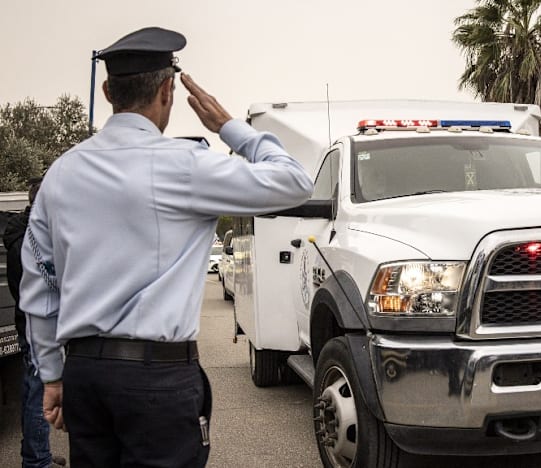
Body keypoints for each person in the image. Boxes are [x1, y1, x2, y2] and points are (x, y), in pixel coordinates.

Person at [19, 27, 314, 467]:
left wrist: (53, 375)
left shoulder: (62, 173)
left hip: (85, 376)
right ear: (167, 91)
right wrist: (230, 127)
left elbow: (40, 285)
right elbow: (295, 182)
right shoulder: (186, 166)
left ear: (107, 91)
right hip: (156, 377)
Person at [2, 178, 66, 468]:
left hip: (26, 318)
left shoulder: (19, 232)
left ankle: (36, 452)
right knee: (39, 393)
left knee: (31, 390)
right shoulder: (33, 237)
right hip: (36, 323)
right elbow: (43, 284)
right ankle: (37, 460)